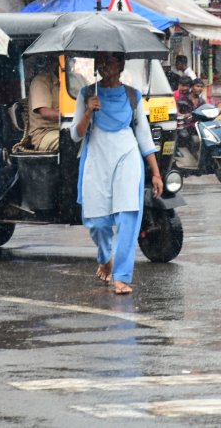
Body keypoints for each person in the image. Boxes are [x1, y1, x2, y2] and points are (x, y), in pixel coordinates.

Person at [70, 52, 164, 295]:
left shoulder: (133, 95)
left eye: (108, 60)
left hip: (127, 156)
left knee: (128, 215)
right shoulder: (86, 93)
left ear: (121, 64)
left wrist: (155, 173)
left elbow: (143, 134)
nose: (103, 65)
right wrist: (89, 112)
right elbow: (75, 134)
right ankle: (104, 257)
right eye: (99, 61)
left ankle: (122, 275)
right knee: (98, 222)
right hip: (97, 158)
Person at [27, 57, 60, 151]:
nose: (71, 63)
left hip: (71, 128)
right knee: (69, 140)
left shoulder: (75, 79)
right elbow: (45, 112)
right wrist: (72, 117)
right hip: (46, 133)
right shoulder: (40, 81)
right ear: (55, 62)